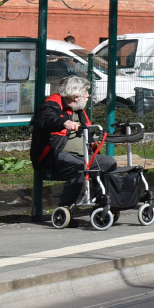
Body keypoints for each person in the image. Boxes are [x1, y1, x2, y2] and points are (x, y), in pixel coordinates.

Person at [30, 75, 116, 209]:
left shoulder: (79, 110)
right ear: (76, 96)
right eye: (86, 92)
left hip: (82, 156)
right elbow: (46, 119)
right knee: (80, 168)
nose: (88, 95)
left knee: (108, 163)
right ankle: (65, 208)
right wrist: (64, 122)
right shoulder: (51, 105)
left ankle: (102, 203)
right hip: (54, 157)